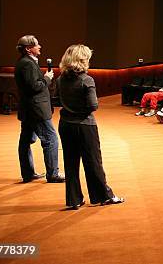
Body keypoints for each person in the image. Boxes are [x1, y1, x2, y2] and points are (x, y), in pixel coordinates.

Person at [56, 44, 123, 209]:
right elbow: (93, 105)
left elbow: (57, 100)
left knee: (70, 163)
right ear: (82, 59)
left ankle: (74, 199)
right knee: (93, 162)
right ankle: (104, 196)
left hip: (65, 125)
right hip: (85, 125)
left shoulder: (60, 79)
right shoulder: (87, 79)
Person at [14, 35, 64, 184]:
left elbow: (32, 84)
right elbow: (34, 87)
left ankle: (28, 173)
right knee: (51, 139)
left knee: (26, 140)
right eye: (37, 45)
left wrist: (42, 78)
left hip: (29, 109)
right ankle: (53, 174)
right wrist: (47, 78)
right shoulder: (27, 64)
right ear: (29, 49)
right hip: (36, 110)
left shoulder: (25, 62)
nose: (40, 46)